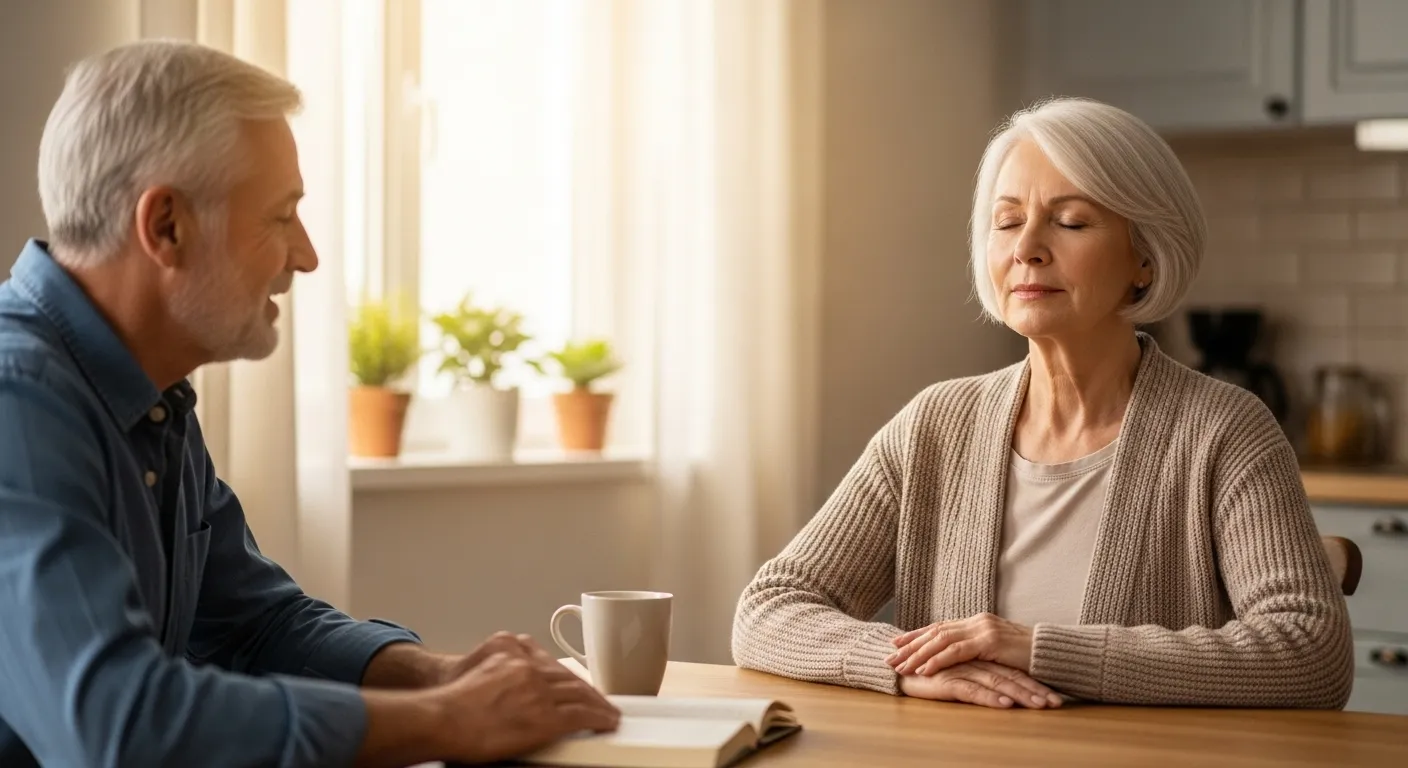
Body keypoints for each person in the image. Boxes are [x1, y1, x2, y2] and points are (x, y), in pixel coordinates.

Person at [0, 40, 618, 767]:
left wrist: (442, 675)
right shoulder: (22, 403)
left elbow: (255, 626)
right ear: (166, 225)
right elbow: (118, 723)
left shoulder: (152, 397)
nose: (307, 255)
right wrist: (446, 721)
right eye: (281, 215)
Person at [731, 96, 1354, 710]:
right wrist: (907, 668)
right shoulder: (935, 425)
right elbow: (770, 608)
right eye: (1006, 222)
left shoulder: (1226, 430)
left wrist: (1038, 649)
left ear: (1145, 258)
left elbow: (1310, 652)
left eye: (1071, 221)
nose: (1026, 246)